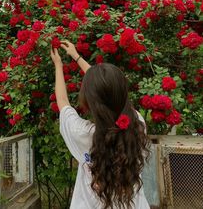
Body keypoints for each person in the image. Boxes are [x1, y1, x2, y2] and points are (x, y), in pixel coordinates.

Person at [50, 40, 150, 209]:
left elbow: (62, 101)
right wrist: (76, 56)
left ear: (89, 102)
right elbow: (107, 88)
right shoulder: (136, 123)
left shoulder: (81, 133)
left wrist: (58, 64)